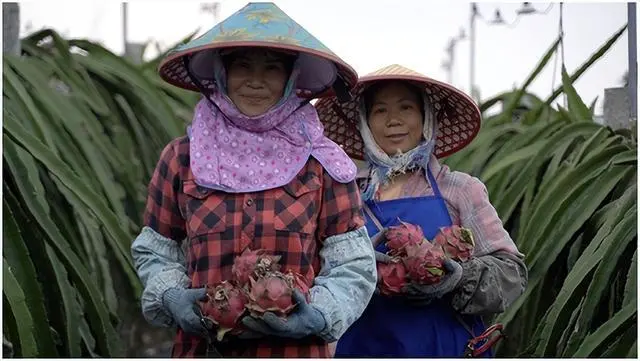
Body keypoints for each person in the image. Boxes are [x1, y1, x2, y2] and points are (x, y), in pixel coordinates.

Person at [130, 3, 377, 358]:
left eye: (272, 69)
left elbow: (352, 262)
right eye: (242, 65)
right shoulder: (184, 157)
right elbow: (157, 248)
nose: (255, 80)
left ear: (292, 78)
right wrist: (171, 296)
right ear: (221, 73)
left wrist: (321, 313)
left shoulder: (321, 162)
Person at [314, 64, 528, 358]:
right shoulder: (344, 193)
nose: (393, 121)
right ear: (364, 123)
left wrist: (455, 278)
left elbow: (512, 275)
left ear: (426, 118)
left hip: (445, 348)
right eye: (379, 111)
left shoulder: (460, 189)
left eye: (406, 108)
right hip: (362, 348)